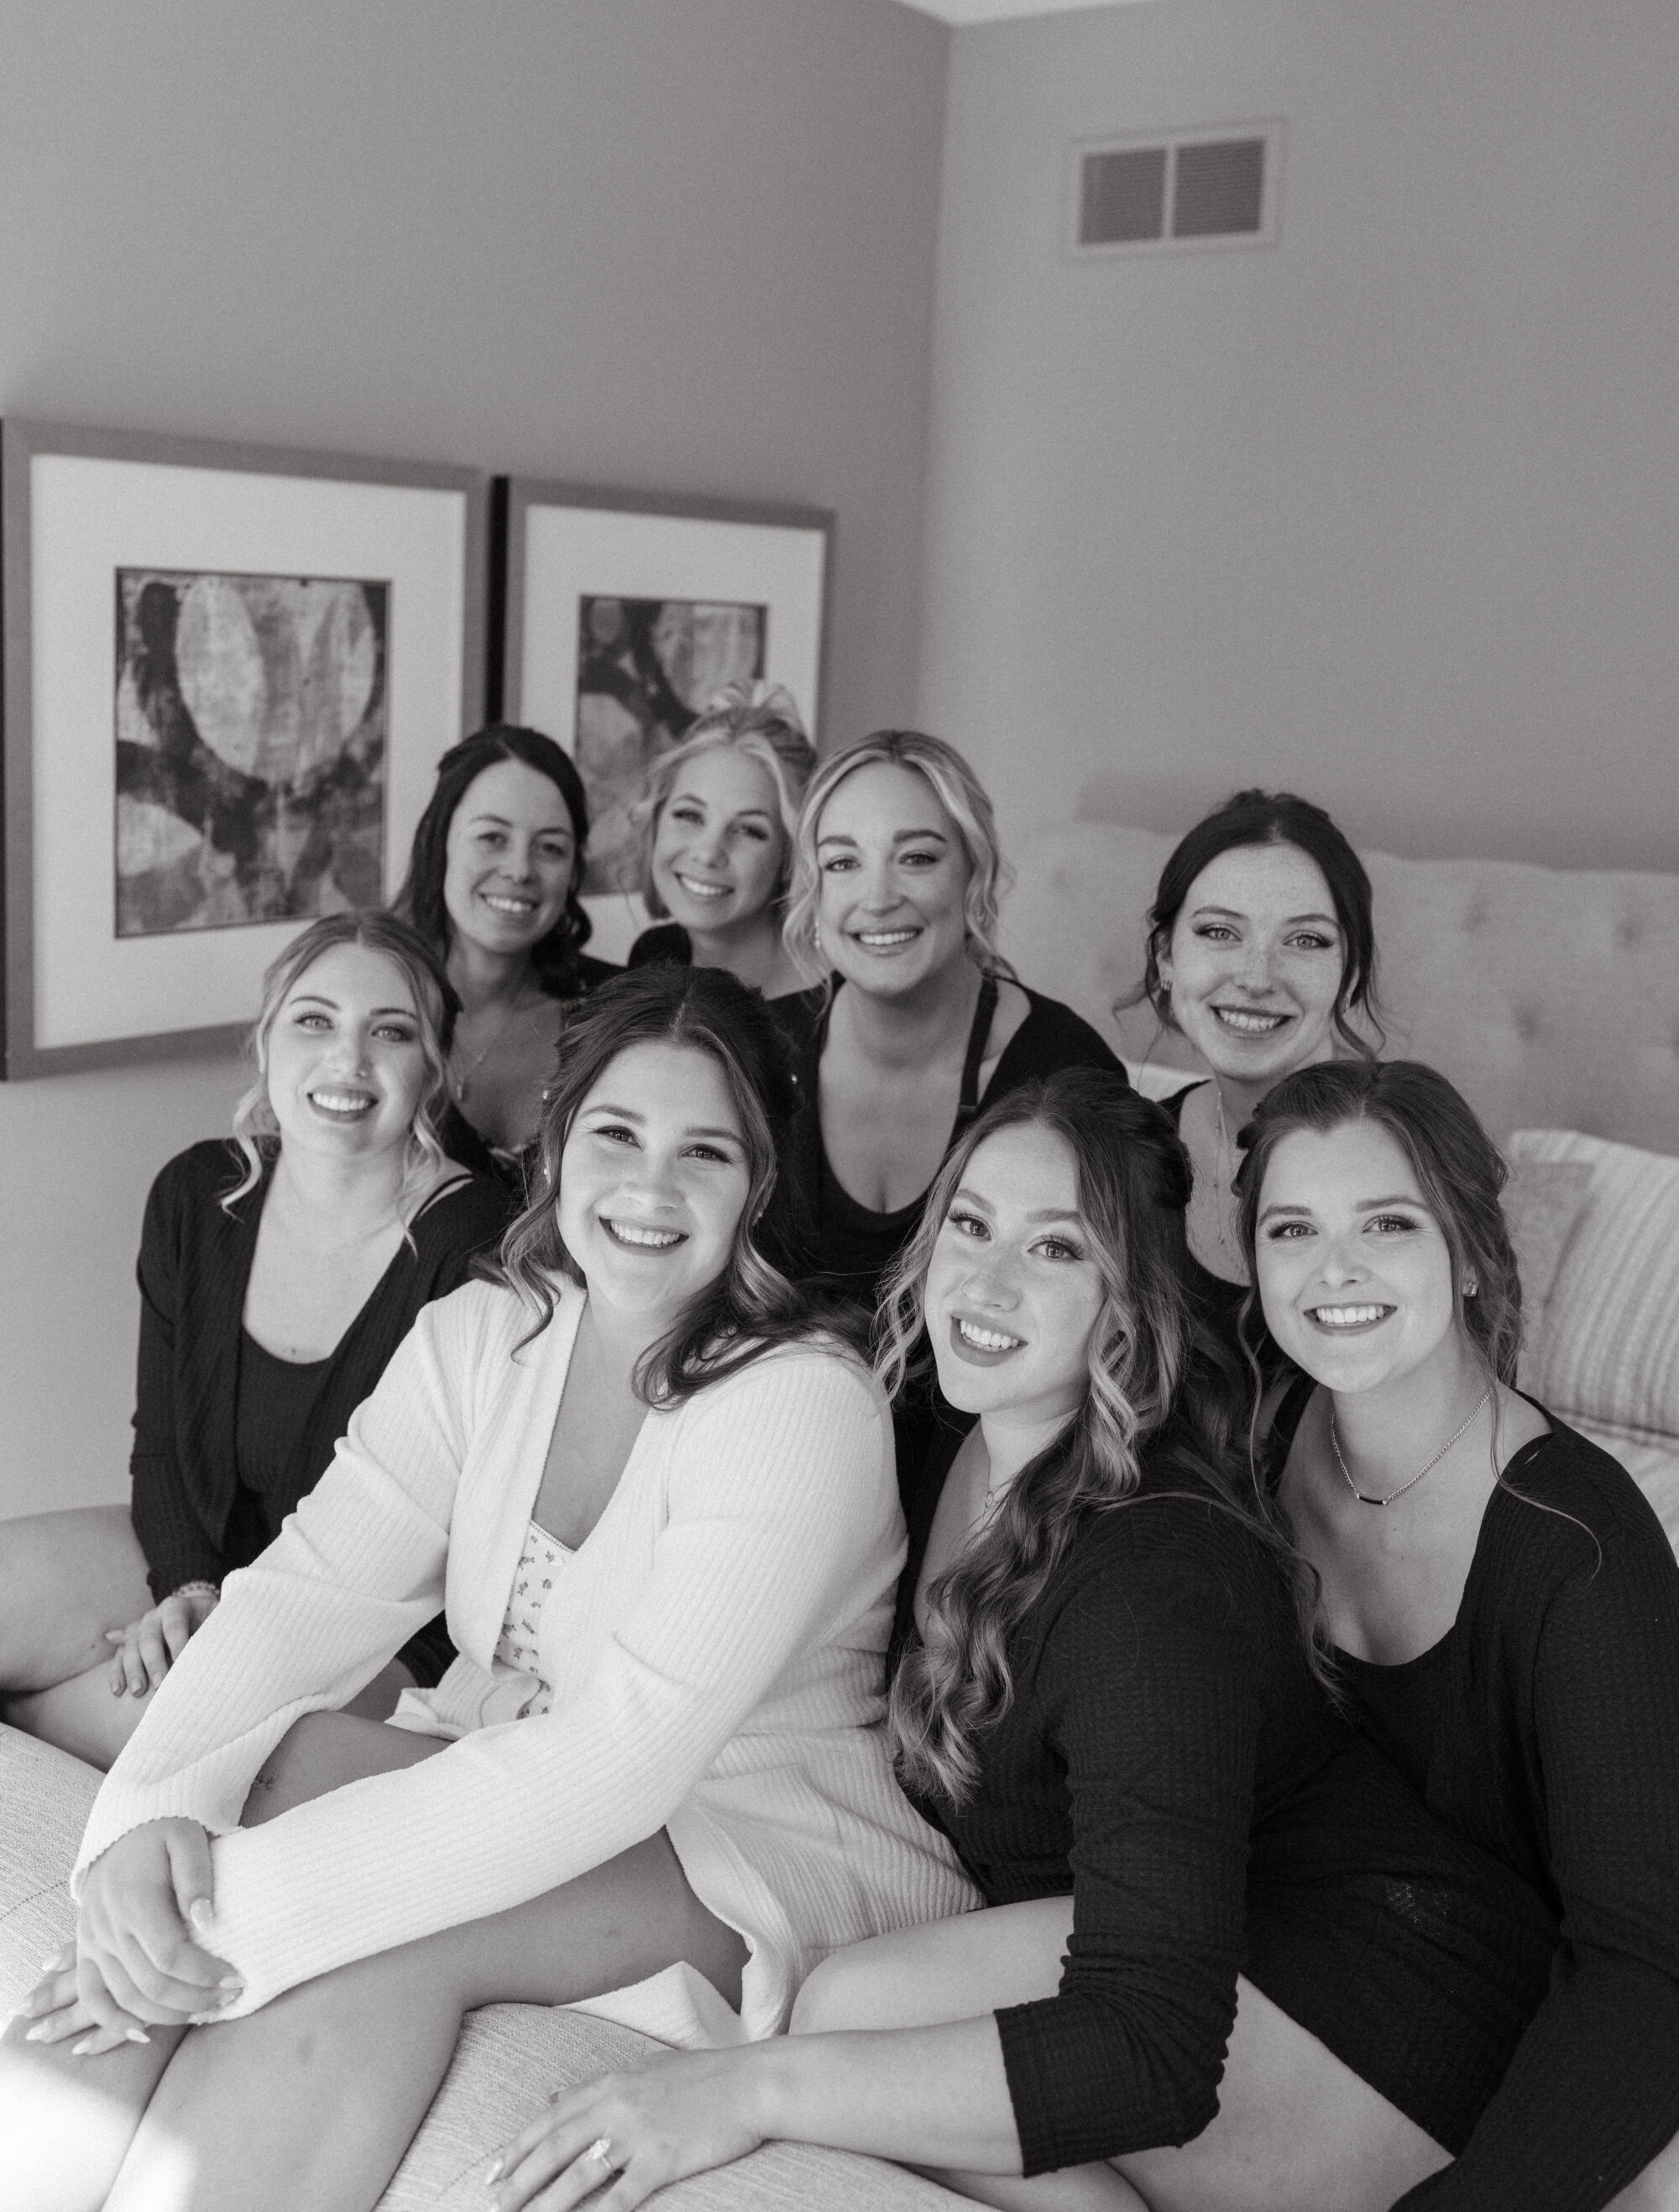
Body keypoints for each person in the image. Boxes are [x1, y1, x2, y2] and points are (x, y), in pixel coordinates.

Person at [475, 1069, 1562, 2212]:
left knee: (853, 2011)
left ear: (1127, 1301)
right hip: (1183, 1938)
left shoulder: (1158, 1576)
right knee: (852, 2000)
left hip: (1384, 2012)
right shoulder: (953, 1435)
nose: (986, 1283)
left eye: (1056, 1251)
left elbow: (1154, 2042)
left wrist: (747, 2093)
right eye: (971, 1227)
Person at [8, 969, 972, 2212]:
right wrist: (135, 1834)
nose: (650, 1189)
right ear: (557, 1139)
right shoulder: (485, 1334)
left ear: (760, 1185)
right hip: (519, 1758)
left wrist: (229, 1924)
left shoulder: (799, 1402)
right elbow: (305, 1594)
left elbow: (622, 1760)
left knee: (367, 1943)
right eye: (617, 1134)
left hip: (743, 1833)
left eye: (707, 1154)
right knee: (235, 1797)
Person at [1247, 1058, 1679, 2211]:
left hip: (1540, 2024)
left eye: (1388, 1224)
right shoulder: (1255, 1433)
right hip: (1328, 1957)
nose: (1333, 1269)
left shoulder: (1579, 1548)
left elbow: (1648, 1968)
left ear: (1475, 1253)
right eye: (1292, 1230)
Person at [0, 913, 512, 1774]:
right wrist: (189, 1589)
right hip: (205, 1548)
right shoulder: (199, 1194)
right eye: (314, 1020)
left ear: (434, 1069)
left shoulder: (476, 1242)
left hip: (376, 1615)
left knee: (165, 1727)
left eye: (389, 1032)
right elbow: (162, 1442)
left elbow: (438, 1544)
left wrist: (231, 1630)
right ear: (266, 1040)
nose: (347, 1062)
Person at [768, 732, 1122, 1494]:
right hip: (772, 1464)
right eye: (843, 862)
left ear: (974, 873)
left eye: (917, 857)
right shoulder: (759, 1052)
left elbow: (1106, 1334)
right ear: (815, 892)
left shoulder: (1066, 1073)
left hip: (986, 1489)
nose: (878, 896)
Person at [1122, 788, 1379, 1361]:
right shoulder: (1131, 1152)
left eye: (1305, 940)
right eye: (1219, 932)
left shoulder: (1411, 1160)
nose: (1258, 977)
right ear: (1166, 957)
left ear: (1352, 975)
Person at [393, 724, 618, 1174]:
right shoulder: (371, 997)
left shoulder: (616, 1012)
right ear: (439, 844)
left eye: (550, 848)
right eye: (493, 838)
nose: (519, 869)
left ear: (573, 871)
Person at [625, 682, 814, 996]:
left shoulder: (837, 1003)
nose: (708, 852)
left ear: (789, 856)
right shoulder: (654, 957)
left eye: (748, 830)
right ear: (656, 819)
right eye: (690, 816)